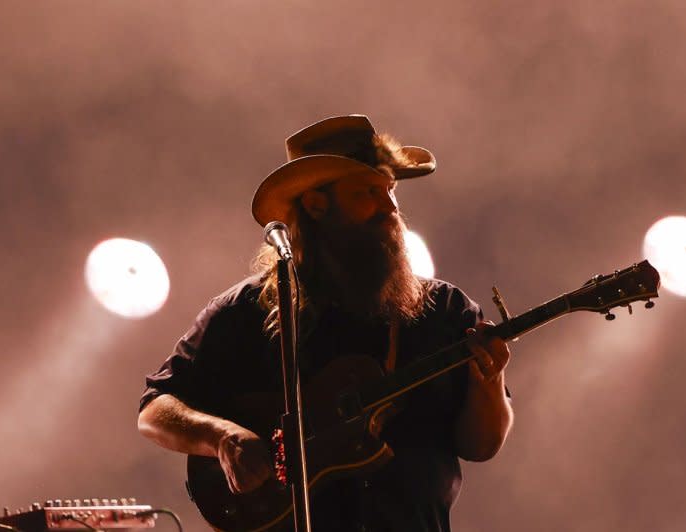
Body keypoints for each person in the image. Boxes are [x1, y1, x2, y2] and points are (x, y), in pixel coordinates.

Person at [137, 115, 513, 531]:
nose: (390, 207)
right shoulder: (247, 309)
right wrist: (222, 437)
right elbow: (155, 410)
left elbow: (481, 446)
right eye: (367, 192)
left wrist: (489, 382)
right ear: (317, 203)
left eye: (390, 189)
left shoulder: (444, 309)